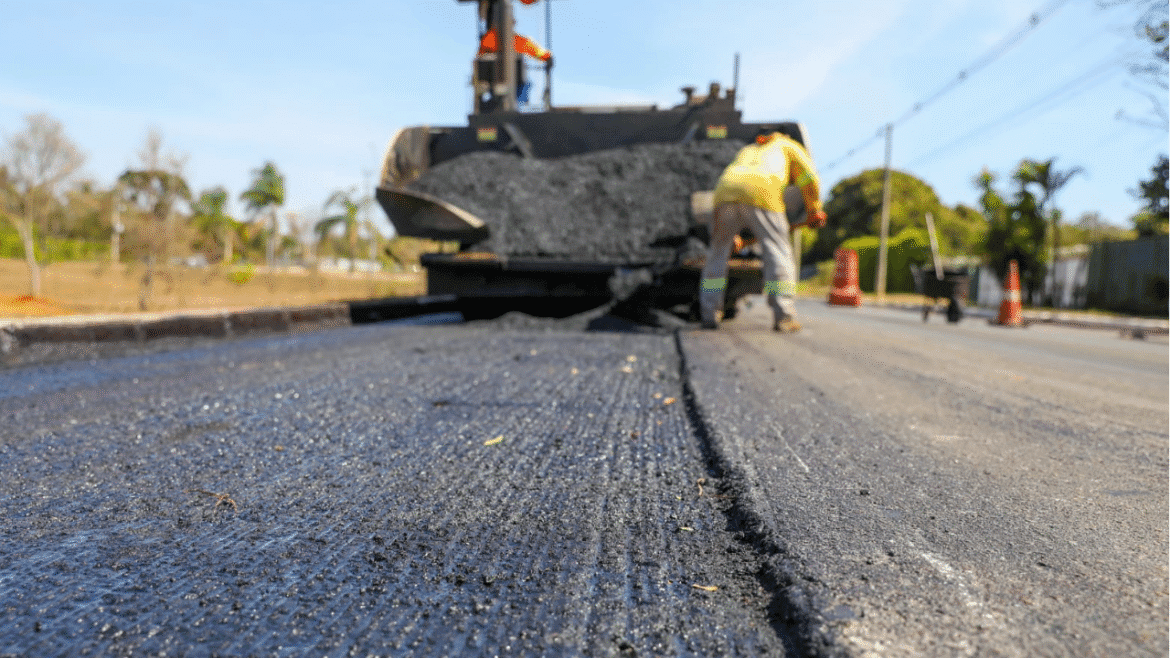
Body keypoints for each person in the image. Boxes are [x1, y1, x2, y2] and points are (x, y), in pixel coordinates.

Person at [700, 130, 827, 333]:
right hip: (763, 190)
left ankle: (709, 313)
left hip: (724, 192)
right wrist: (814, 209)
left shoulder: (748, 149)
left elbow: (740, 186)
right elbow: (808, 176)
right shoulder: (789, 146)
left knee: (717, 254)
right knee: (778, 253)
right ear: (784, 136)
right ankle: (784, 315)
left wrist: (735, 236)